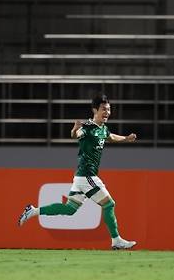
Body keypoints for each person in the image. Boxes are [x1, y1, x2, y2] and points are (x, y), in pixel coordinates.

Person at [18, 94, 138, 250]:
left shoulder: (103, 129)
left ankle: (33, 211)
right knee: (109, 204)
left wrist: (126, 138)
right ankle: (116, 240)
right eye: (103, 109)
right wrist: (74, 130)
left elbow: (111, 137)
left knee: (70, 209)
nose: (107, 112)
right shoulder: (88, 127)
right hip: (87, 175)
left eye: (108, 109)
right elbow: (76, 134)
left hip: (81, 177)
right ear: (95, 110)